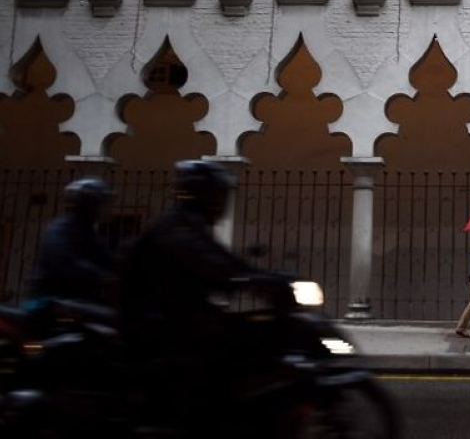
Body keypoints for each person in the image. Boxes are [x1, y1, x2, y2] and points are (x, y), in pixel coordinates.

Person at [119, 159, 286, 437]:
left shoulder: (189, 223)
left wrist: (264, 277)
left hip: (179, 315)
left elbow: (222, 259)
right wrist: (249, 279)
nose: (222, 203)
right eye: (218, 195)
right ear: (203, 195)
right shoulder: (177, 227)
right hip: (160, 323)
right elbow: (208, 260)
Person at [24, 178, 116, 317]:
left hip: (76, 300)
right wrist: (102, 276)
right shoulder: (59, 229)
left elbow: (108, 258)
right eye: (102, 203)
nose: (106, 208)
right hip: (47, 300)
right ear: (89, 204)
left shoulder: (90, 233)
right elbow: (66, 262)